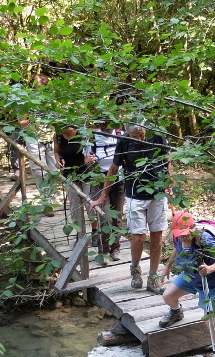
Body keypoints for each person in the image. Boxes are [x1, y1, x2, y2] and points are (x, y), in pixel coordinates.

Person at [94, 122, 172, 293]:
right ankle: (135, 270)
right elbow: (114, 168)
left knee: (157, 235)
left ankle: (153, 277)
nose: (141, 138)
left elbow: (167, 162)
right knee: (138, 236)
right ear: (128, 133)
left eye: (142, 135)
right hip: (134, 196)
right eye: (136, 137)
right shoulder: (123, 141)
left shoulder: (158, 136)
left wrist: (170, 182)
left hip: (157, 195)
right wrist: (104, 194)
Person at [158, 211, 215, 357]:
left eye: (186, 233)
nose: (183, 237)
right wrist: (167, 267)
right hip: (190, 276)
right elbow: (177, 250)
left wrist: (210, 268)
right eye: (180, 234)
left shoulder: (205, 240)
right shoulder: (178, 236)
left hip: (211, 282)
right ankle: (176, 312)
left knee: (209, 319)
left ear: (192, 228)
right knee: (168, 297)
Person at [84, 121, 124, 262]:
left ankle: (116, 248)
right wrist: (89, 161)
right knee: (103, 217)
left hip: (118, 180)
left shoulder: (121, 135)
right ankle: (103, 251)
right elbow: (86, 161)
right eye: (105, 124)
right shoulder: (93, 137)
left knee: (117, 217)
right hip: (99, 180)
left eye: (110, 123)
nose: (107, 127)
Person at [54, 124, 98, 242]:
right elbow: (57, 151)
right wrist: (58, 161)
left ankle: (95, 232)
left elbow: (93, 151)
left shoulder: (83, 134)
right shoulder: (58, 135)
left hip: (87, 174)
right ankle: (80, 235)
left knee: (91, 206)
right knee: (75, 207)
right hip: (69, 175)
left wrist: (90, 160)